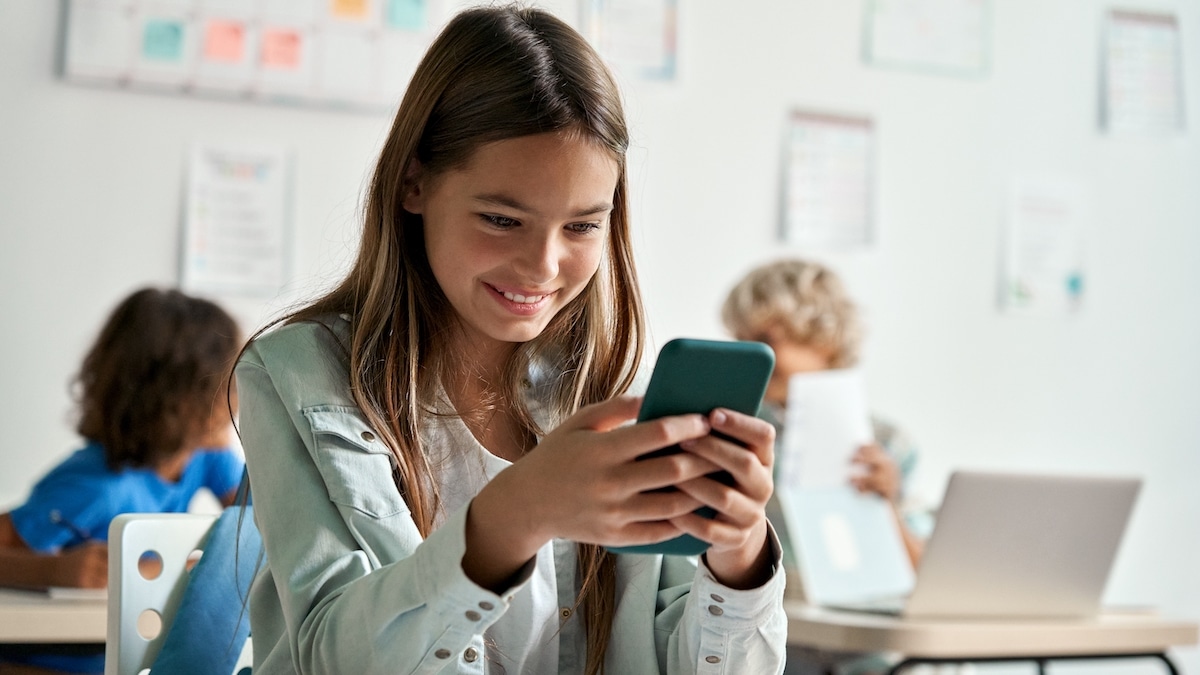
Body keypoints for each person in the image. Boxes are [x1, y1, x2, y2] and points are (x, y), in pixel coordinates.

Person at [234, 6, 787, 675]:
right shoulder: (299, 376)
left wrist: (739, 557)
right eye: (501, 219)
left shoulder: (619, 395)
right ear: (414, 183)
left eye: (582, 226)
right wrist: (515, 514)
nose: (543, 267)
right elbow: (332, 657)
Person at [0, 287, 246, 675]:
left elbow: (256, 532)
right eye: (225, 382)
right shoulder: (96, 487)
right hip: (49, 661)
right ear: (175, 401)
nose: (239, 393)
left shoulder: (208, 458)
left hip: (124, 652)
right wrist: (55, 572)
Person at [722, 258, 931, 675]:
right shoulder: (736, 429)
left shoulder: (885, 443)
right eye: (741, 340)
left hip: (861, 642)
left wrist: (886, 502)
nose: (752, 355)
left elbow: (923, 572)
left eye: (764, 339)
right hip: (778, 637)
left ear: (826, 339)